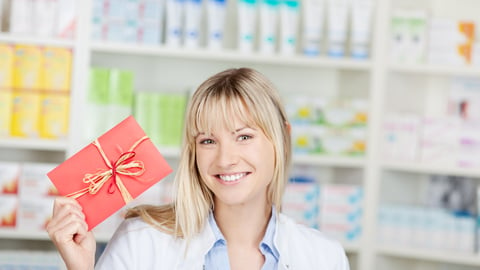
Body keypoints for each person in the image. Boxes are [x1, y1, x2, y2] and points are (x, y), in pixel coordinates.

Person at [46, 67, 350, 270]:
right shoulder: (141, 240)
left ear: (283, 138)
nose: (225, 159)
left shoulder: (324, 257)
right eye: (207, 141)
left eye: (244, 136)